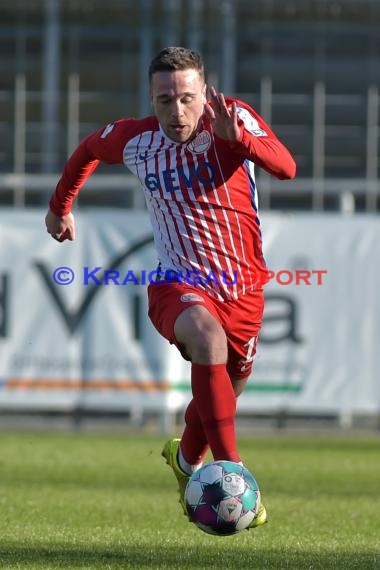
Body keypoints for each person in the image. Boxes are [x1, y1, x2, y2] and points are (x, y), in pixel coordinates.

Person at [45, 46, 296, 529]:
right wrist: (60, 206)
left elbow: (285, 167)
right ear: (151, 98)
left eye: (186, 98)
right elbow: (88, 150)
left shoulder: (233, 118)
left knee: (231, 382)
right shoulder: (135, 139)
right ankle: (234, 473)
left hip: (243, 288)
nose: (176, 111)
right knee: (207, 341)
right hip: (175, 281)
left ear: (205, 93)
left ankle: (185, 460)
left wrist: (239, 138)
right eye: (164, 100)